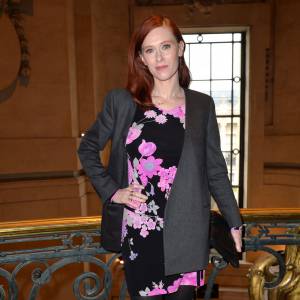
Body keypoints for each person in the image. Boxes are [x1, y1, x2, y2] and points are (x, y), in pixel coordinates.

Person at [77, 15, 242, 300]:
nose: (159, 57)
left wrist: (234, 221)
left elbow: (215, 170)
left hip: (189, 229)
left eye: (165, 46)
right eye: (149, 50)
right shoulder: (122, 102)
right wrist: (113, 192)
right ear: (141, 58)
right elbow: (87, 148)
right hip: (141, 232)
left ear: (180, 48)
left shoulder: (202, 105)